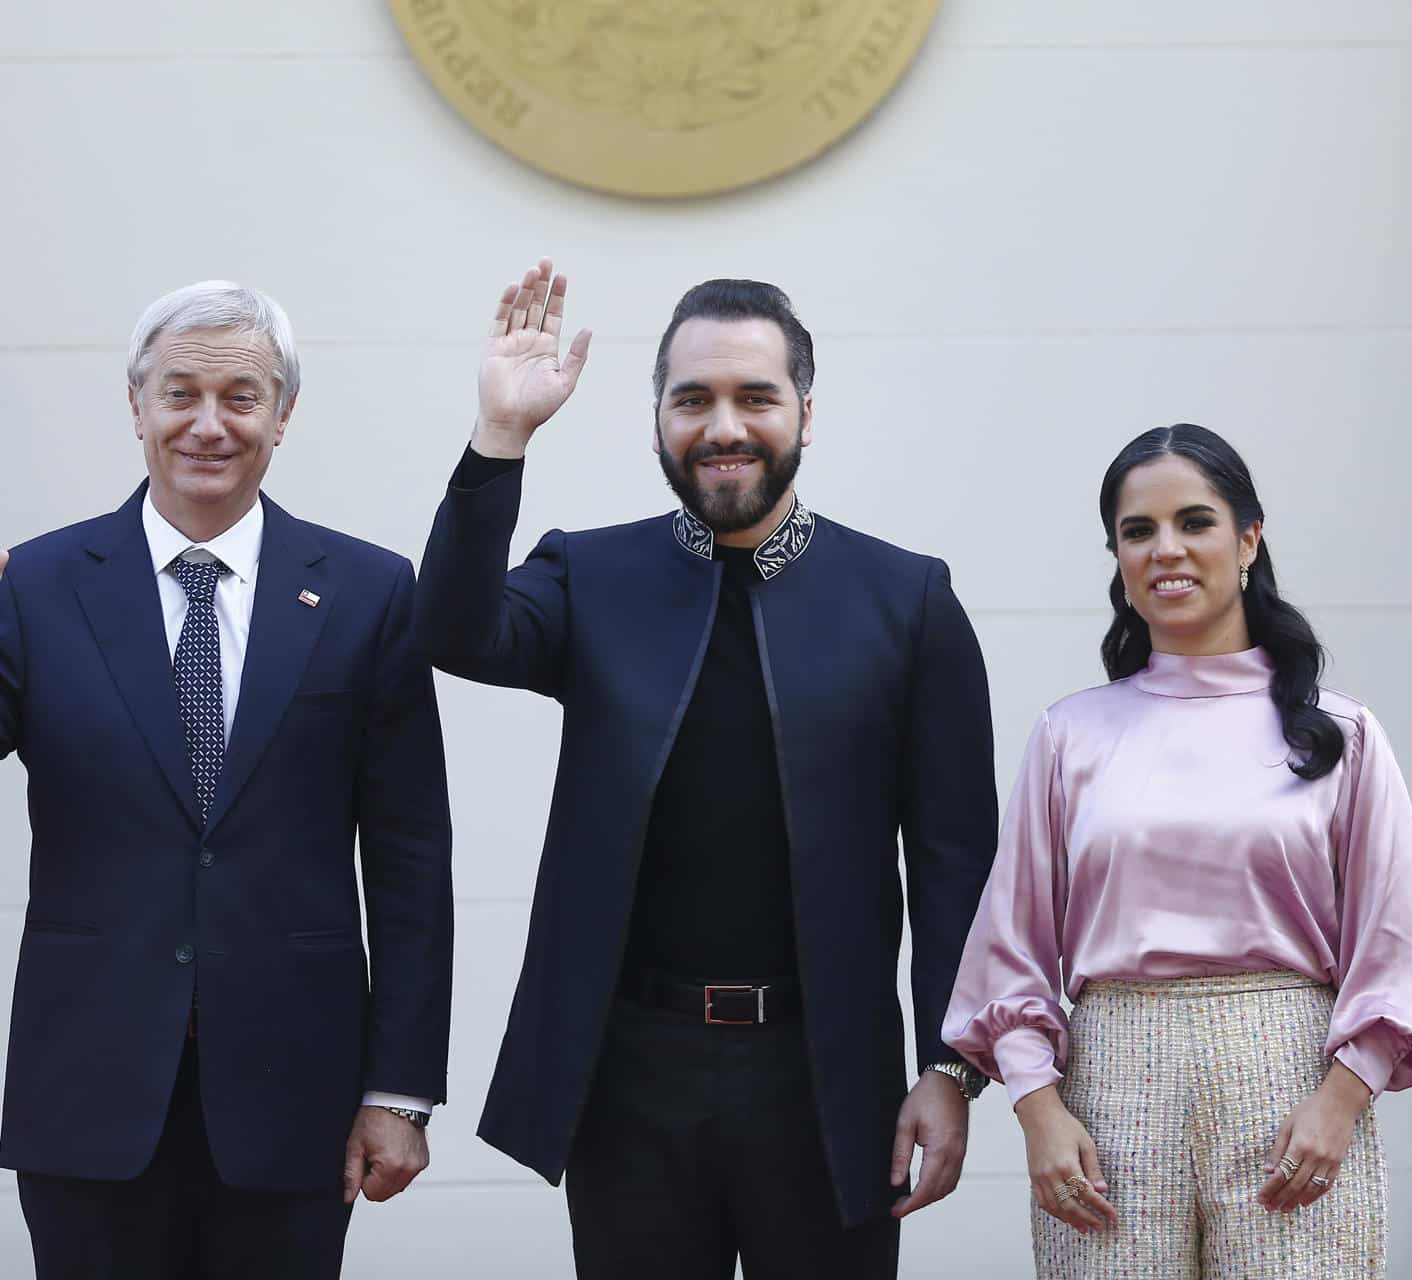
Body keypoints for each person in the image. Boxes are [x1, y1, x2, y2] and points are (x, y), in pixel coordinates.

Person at [0, 281, 454, 1279]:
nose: (208, 425)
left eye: (241, 396)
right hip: (89, 1091)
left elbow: (410, 857)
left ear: (283, 414)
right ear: (135, 405)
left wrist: (400, 1088)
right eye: (180, 394)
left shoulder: (367, 590)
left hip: (291, 1093)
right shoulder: (39, 587)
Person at [414, 262, 998, 1277]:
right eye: (693, 399)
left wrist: (949, 1065)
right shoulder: (588, 575)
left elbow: (955, 859)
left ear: (804, 416)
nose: (723, 424)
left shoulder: (906, 601)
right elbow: (455, 631)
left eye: (754, 397)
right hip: (631, 1069)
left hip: (828, 1073)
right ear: (656, 423)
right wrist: (500, 436)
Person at [943, 423, 1412, 1277]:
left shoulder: (1341, 734)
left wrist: (1342, 1100)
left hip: (1294, 1080)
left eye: (1195, 521)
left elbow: (1398, 942)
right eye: (1137, 531)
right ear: (1116, 554)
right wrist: (1038, 1109)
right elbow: (1011, 948)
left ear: (1250, 538)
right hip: (1109, 1091)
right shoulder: (1071, 735)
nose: (1165, 550)